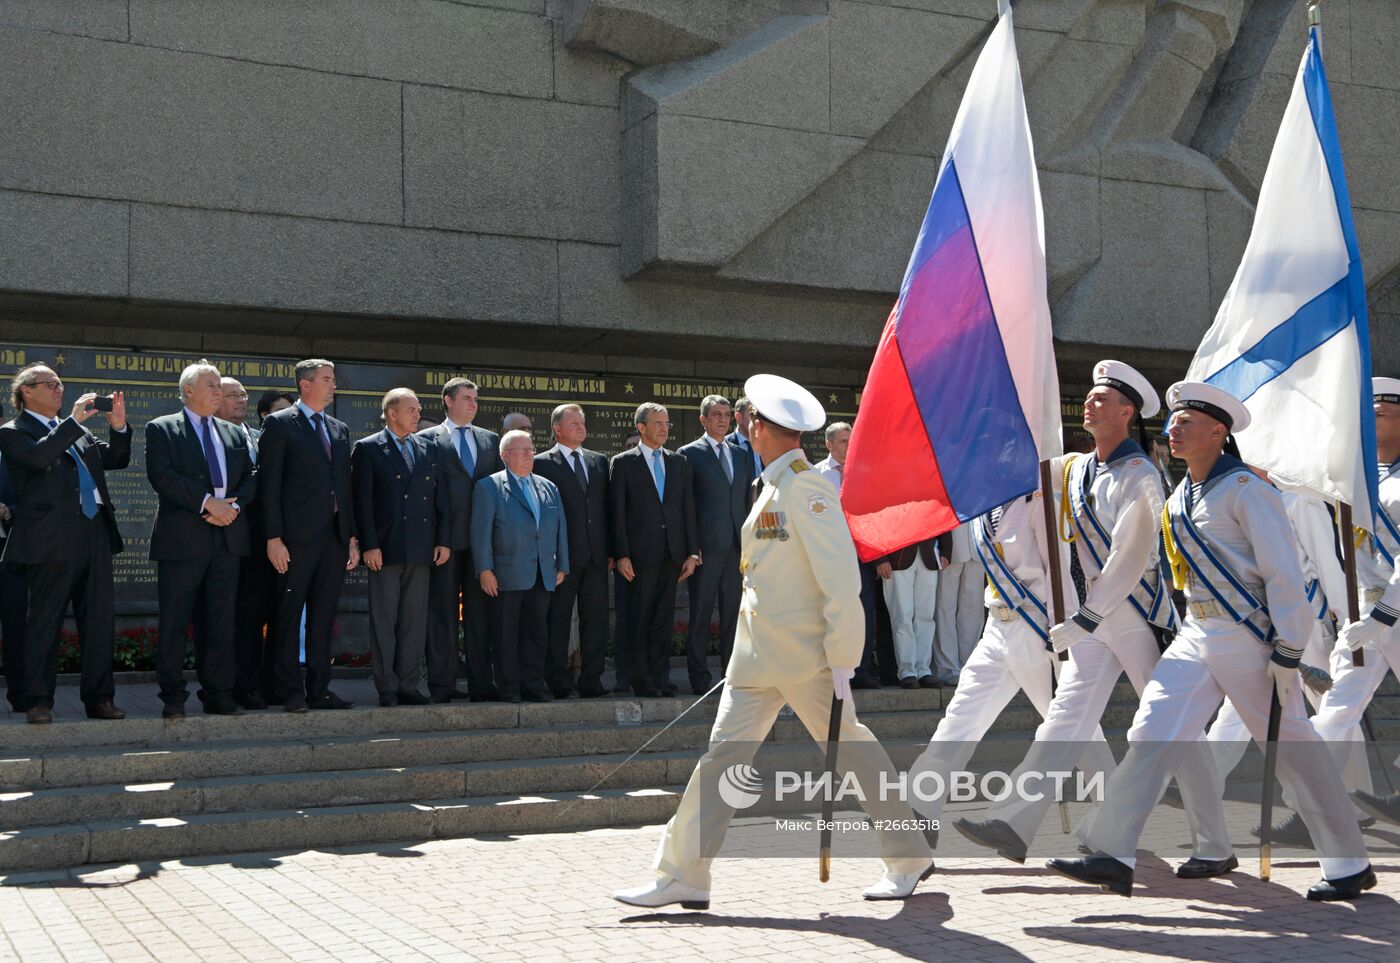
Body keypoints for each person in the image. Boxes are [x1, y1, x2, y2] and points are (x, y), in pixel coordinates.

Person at [614, 374, 935, 911]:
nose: (745, 428)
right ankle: (684, 873)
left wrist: (842, 656)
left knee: (850, 749)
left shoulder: (805, 488)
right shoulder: (770, 485)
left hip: (806, 656)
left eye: (748, 421)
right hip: (757, 657)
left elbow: (838, 578)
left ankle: (907, 855)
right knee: (721, 759)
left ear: (759, 427)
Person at [1048, 381, 1373, 901]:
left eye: (1187, 422)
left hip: (1250, 637)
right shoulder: (1179, 496)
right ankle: (1112, 852)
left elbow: (1283, 574)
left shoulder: (1248, 490)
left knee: (1292, 748)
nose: (1173, 429)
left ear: (1218, 432)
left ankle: (1348, 862)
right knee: (1151, 727)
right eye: (1173, 421)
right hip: (1196, 633)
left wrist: (1289, 649)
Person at [955, 361, 1231, 874]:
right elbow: (1025, 466)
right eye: (1088, 396)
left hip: (1138, 616)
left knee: (1176, 730)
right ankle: (1015, 821)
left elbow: (1132, 554)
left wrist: (1086, 616)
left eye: (1102, 399)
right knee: (1066, 716)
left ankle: (1213, 842)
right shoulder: (1073, 468)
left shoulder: (1141, 475)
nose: (1090, 403)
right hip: (1092, 621)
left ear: (1127, 412)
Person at [907, 489, 1116, 844]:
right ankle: (919, 809)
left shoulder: (1040, 497)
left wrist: (1062, 625)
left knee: (1071, 726)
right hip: (996, 625)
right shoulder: (984, 500)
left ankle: (1115, 813)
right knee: (962, 715)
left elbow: (1060, 569)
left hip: (1037, 627)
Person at [0, 363, 131, 723]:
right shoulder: (14, 432)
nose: (59, 389)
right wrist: (73, 423)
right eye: (50, 384)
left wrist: (118, 425)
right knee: (44, 621)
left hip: (95, 533)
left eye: (60, 383)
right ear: (26, 391)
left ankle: (99, 699)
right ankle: (38, 700)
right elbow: (37, 458)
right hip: (50, 540)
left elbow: (117, 459)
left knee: (99, 621)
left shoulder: (73, 432)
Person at [145, 361, 256, 717]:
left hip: (227, 538)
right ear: (188, 390)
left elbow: (253, 476)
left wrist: (232, 508)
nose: (217, 391)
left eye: (218, 386)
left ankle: (218, 694)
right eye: (210, 385)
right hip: (183, 541)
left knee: (221, 623)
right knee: (176, 621)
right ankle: (173, 697)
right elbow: (163, 476)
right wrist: (207, 503)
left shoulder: (234, 433)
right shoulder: (162, 428)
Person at [1313, 377, 1400, 827]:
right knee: (1338, 707)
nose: (1368, 423)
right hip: (1366, 611)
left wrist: (1385, 615)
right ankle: (1314, 807)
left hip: (1393, 611)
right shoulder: (1360, 479)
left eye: (1379, 414)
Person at [258, 358, 360, 713]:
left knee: (323, 617)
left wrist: (350, 537)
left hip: (333, 540)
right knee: (287, 616)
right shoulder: (280, 424)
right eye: (327, 379)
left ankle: (319, 689)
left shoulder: (339, 429)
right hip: (294, 541)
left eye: (334, 379)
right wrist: (273, 537)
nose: (334, 385)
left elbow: (343, 489)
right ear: (305, 384)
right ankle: (288, 690)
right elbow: (268, 485)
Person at [352, 388, 451, 707]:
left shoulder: (428, 447)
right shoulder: (368, 448)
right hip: (386, 546)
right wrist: (370, 544)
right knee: (384, 620)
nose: (417, 414)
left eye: (418, 409)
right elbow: (362, 502)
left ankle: (409, 683)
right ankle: (387, 687)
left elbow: (440, 500)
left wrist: (443, 540)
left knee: (413, 621)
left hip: (421, 548)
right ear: (391, 413)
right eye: (411, 409)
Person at [419, 378, 503, 702]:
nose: (473, 404)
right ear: (448, 400)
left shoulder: (489, 440)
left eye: (475, 399)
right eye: (467, 398)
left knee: (480, 616)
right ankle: (443, 684)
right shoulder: (428, 440)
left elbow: (498, 492)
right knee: (442, 616)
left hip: (481, 545)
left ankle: (483, 683)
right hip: (444, 544)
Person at [471, 430, 568, 702]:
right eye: (522, 450)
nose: (529, 454)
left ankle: (533, 684)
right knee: (505, 633)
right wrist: (485, 570)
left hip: (542, 573)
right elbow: (481, 533)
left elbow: (559, 528)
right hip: (506, 574)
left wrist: (563, 563)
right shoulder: (489, 487)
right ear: (505, 455)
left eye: (531, 449)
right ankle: (509, 687)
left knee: (537, 632)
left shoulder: (548, 487)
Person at [609, 403, 699, 696]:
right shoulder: (624, 463)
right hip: (638, 557)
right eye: (657, 423)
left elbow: (688, 510)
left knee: (663, 622)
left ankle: (661, 678)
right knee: (639, 619)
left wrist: (692, 553)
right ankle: (641, 680)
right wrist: (621, 554)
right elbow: (617, 513)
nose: (664, 428)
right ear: (641, 427)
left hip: (672, 555)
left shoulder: (679, 463)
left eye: (667, 423)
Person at [533, 404, 610, 698]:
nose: (580, 426)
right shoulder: (542, 463)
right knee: (558, 620)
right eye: (573, 422)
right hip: (561, 558)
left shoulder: (599, 461)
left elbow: (605, 510)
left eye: (582, 422)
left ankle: (592, 679)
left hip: (596, 555)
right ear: (557, 428)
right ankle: (558, 680)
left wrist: (612, 551)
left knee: (596, 621)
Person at [678, 395, 751, 694]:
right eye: (716, 415)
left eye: (725, 414)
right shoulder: (688, 454)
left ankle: (731, 675)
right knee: (701, 614)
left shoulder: (742, 454)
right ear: (703, 420)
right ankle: (699, 678)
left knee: (734, 614)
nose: (723, 419)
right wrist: (693, 548)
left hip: (737, 547)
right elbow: (686, 506)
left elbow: (747, 501)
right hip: (706, 550)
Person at [216, 377, 277, 709]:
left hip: (259, 544)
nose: (241, 399)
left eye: (243, 394)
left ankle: (252, 684)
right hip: (222, 537)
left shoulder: (259, 437)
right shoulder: (209, 437)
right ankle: (226, 685)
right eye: (232, 395)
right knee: (224, 618)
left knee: (254, 617)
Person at [814, 421, 881, 688]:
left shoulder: (863, 471)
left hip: (861, 554)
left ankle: (861, 670)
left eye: (850, 440)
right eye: (843, 441)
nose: (848, 446)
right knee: (830, 613)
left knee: (864, 612)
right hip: (829, 555)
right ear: (829, 444)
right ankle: (829, 671)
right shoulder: (816, 475)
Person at [875, 533, 950, 688]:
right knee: (902, 617)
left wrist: (946, 551)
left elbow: (942, 516)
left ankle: (923, 670)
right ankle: (907, 671)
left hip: (929, 557)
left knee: (926, 617)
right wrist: (880, 558)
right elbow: (876, 523)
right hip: (896, 558)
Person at [0, 402, 28, 714]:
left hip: (8, 556)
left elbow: (32, 501)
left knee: (15, 626)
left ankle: (20, 695)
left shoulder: (12, 459)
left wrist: (8, 511)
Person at [933, 521, 984, 684]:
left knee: (973, 610)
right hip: (950, 545)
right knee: (944, 607)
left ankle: (968, 665)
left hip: (978, 546)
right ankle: (946, 667)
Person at [726, 396, 763, 481]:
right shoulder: (724, 445)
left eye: (759, 415)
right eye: (752, 414)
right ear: (738, 417)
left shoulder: (766, 445)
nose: (757, 419)